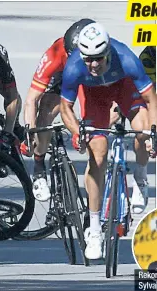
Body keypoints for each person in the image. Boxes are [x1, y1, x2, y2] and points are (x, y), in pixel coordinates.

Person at [59, 22, 157, 260]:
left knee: (142, 131)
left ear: (108, 51)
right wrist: (77, 132)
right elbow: (66, 108)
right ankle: (94, 229)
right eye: (88, 59)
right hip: (95, 98)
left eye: (98, 59)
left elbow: (151, 98)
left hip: (125, 88)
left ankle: (141, 178)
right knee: (98, 156)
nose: (92, 65)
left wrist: (154, 132)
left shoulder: (125, 57)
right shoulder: (74, 67)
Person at [22, 18, 120, 202]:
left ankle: (93, 206)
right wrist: (30, 132)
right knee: (45, 113)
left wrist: (87, 130)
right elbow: (31, 100)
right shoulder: (56, 53)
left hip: (91, 79)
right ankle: (39, 168)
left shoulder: (102, 54)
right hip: (61, 80)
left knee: (94, 131)